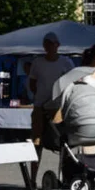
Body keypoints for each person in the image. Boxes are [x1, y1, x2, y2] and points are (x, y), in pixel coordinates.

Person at [27, 32, 75, 172]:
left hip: (57, 108)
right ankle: (33, 178)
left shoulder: (66, 62)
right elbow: (32, 83)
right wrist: (40, 97)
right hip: (40, 106)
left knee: (61, 142)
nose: (48, 46)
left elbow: (71, 82)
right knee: (37, 142)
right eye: (46, 44)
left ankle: (63, 175)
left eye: (51, 43)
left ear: (57, 45)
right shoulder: (38, 62)